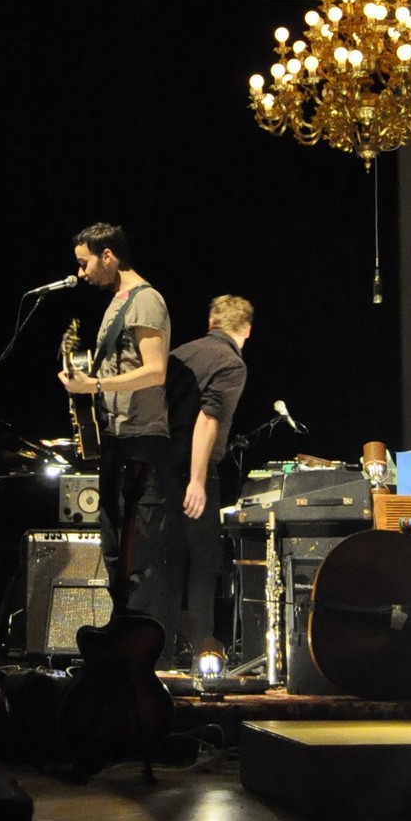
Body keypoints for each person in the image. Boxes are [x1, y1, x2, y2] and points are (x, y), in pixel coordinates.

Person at [55, 223, 177, 634]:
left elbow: (155, 371)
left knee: (140, 551)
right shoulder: (116, 303)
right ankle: (120, 632)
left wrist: (95, 385)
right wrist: (81, 384)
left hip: (141, 440)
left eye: (84, 263)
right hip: (116, 438)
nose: (81, 273)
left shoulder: (146, 300)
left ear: (108, 256)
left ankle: (139, 643)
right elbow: (115, 370)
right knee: (112, 547)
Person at [164, 295, 253, 665]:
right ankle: (204, 651)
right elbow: (208, 419)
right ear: (246, 331)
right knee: (204, 564)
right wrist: (197, 480)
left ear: (211, 322)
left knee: (165, 563)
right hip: (192, 470)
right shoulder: (231, 363)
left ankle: (159, 658)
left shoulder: (178, 354)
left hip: (157, 468)